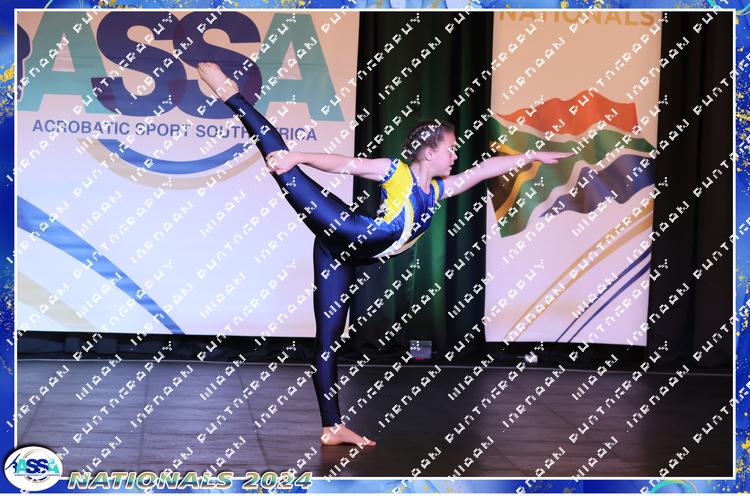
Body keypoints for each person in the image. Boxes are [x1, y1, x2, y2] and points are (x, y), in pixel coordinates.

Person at [197, 62, 573, 447]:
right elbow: (346, 165)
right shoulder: (396, 172)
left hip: (344, 256)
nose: (455, 155)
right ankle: (232, 95)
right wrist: (299, 158)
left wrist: (528, 156)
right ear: (429, 151)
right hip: (344, 228)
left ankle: (331, 428)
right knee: (283, 167)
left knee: (328, 340)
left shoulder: (437, 191)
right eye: (450, 148)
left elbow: (481, 172)